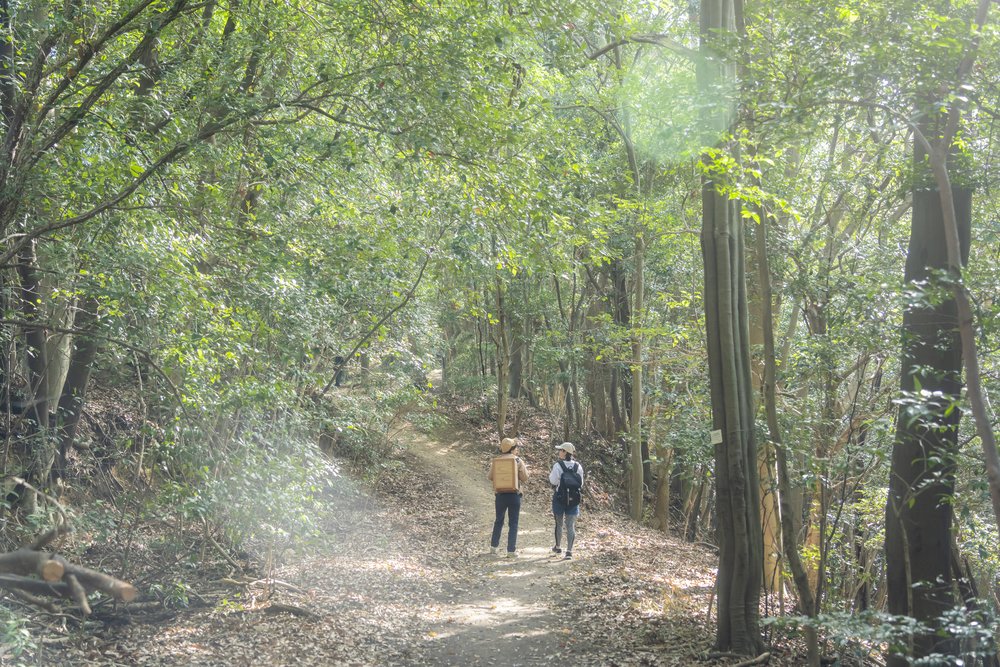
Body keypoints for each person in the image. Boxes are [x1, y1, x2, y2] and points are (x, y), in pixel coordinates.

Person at [487, 437, 529, 557]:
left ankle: (493, 547)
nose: (517, 450)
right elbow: (525, 477)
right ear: (512, 449)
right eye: (516, 448)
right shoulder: (517, 461)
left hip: (500, 495)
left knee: (499, 520)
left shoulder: (497, 461)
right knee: (513, 523)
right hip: (514, 495)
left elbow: (490, 477)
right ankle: (511, 550)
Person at [549, 442, 584, 560]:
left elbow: (553, 481)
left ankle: (558, 546)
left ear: (565, 452)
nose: (559, 452)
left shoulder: (558, 465)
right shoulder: (578, 466)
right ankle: (569, 551)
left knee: (559, 523)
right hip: (574, 499)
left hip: (560, 498)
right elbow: (581, 483)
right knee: (570, 525)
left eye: (560, 450)